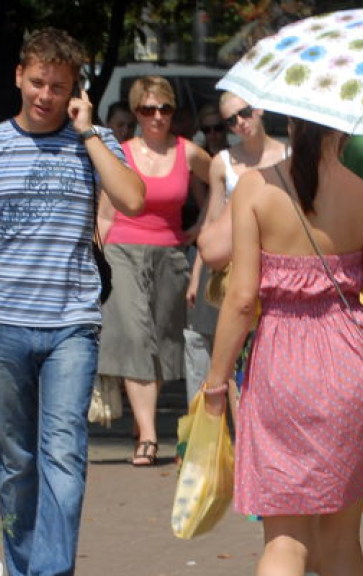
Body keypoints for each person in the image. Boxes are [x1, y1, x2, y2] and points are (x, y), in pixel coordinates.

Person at [201, 116, 363, 576]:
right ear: (346, 130)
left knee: (284, 539)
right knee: (341, 539)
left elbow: (240, 299)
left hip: (281, 363)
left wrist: (216, 381)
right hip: (352, 364)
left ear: (291, 121)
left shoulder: (254, 189)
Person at [0, 28, 144, 575]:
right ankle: (19, 566)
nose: (45, 95)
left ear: (75, 92)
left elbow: (132, 198)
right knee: (15, 463)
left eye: (58, 86)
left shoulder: (95, 141)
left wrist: (86, 135)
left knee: (64, 456)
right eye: (38, 82)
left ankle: (51, 572)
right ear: (19, 75)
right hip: (6, 322)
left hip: (71, 327)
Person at [97, 76, 211, 466]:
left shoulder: (188, 152)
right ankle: (147, 434)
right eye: (148, 109)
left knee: (160, 339)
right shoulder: (121, 153)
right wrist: (95, 260)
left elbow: (224, 181)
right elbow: (105, 212)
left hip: (170, 254)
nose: (157, 116)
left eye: (164, 108)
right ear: (136, 113)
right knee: (133, 334)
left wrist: (202, 228)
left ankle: (142, 418)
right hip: (122, 251)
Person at [186, 92, 287, 405]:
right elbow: (211, 225)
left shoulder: (288, 155)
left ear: (259, 109)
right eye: (230, 120)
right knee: (233, 355)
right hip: (234, 271)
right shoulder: (222, 163)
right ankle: (244, 440)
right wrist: (196, 277)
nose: (239, 123)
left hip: (279, 268)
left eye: (244, 114)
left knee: (273, 354)